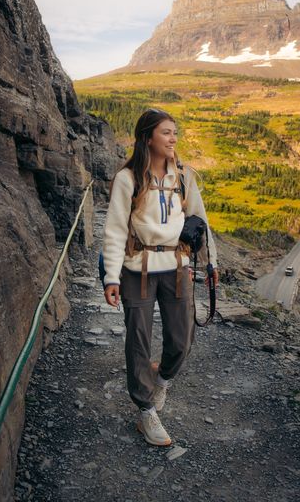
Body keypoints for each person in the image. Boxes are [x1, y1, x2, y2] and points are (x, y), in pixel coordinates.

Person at [102, 108, 219, 447]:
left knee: (182, 339)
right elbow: (113, 231)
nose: (173, 138)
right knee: (138, 338)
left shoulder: (183, 177)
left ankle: (163, 378)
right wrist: (111, 277)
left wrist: (211, 263)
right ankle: (145, 409)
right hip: (137, 268)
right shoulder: (128, 179)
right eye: (166, 132)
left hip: (177, 264)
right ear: (148, 138)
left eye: (175, 133)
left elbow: (199, 219)